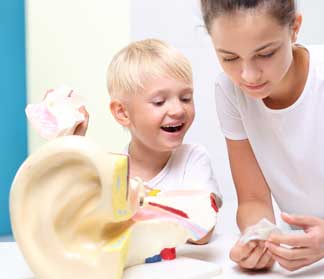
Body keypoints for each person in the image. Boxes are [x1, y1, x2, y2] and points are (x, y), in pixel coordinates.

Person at [200, 0, 324, 271]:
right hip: (313, 256)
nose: (248, 75)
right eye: (229, 58)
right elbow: (253, 199)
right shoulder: (229, 90)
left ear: (294, 28)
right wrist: (257, 237)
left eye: (265, 54)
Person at [77, 38, 222, 243]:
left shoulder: (193, 160)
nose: (178, 110)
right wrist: (70, 142)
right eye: (159, 102)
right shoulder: (112, 172)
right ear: (122, 112)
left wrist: (136, 207)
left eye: (186, 98)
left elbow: (202, 230)